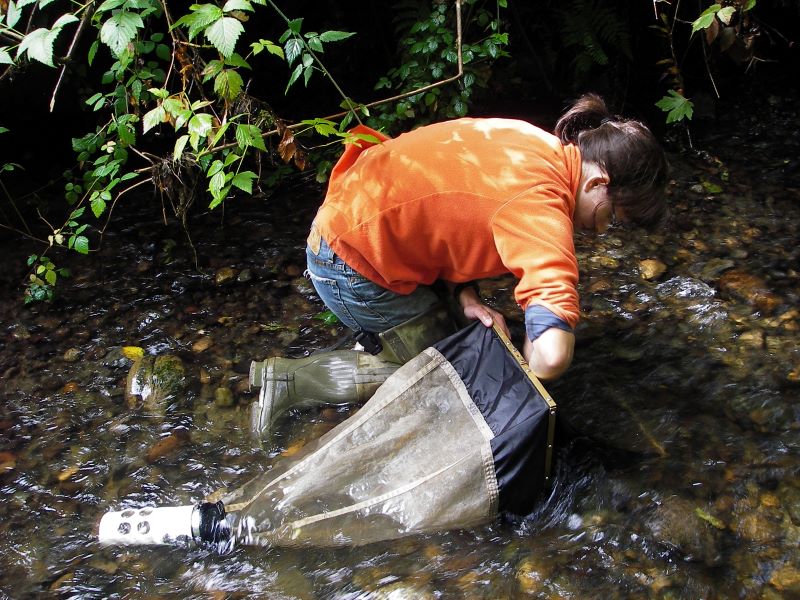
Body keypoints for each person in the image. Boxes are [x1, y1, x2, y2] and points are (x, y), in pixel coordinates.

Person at [249, 93, 668, 437]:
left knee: (464, 338)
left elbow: (452, 208)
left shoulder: (533, 142)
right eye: (612, 216)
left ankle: (383, 338)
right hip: (350, 261)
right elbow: (551, 358)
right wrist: (526, 368)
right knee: (444, 375)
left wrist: (464, 295)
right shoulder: (542, 207)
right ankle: (288, 381)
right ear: (598, 184)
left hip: (356, 222)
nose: (602, 230)